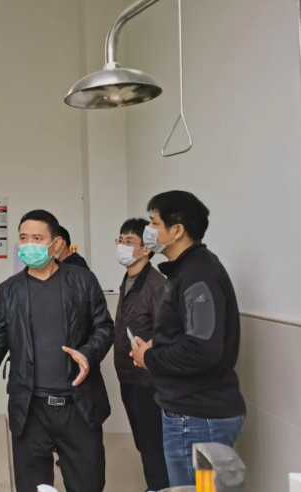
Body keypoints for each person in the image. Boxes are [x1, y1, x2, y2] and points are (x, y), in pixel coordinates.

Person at [0, 210, 114, 492]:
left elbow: (104, 327)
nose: (28, 245)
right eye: (23, 238)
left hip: (78, 406)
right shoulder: (9, 290)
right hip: (30, 408)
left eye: (37, 238)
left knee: (88, 484)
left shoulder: (83, 281)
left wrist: (87, 352)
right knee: (32, 486)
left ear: (56, 244)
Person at [130, 191, 246, 487]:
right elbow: (193, 334)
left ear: (177, 230)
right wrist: (160, 345)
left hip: (197, 417)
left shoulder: (198, 275)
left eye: (154, 223)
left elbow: (201, 350)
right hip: (193, 413)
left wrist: (150, 357)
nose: (148, 231)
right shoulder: (186, 271)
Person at [114, 218, 169, 492]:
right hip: (129, 378)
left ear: (146, 249)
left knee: (153, 447)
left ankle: (159, 488)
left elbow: (169, 334)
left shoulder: (158, 285)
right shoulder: (129, 280)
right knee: (143, 443)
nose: (122, 246)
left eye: (130, 242)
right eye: (120, 240)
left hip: (149, 382)